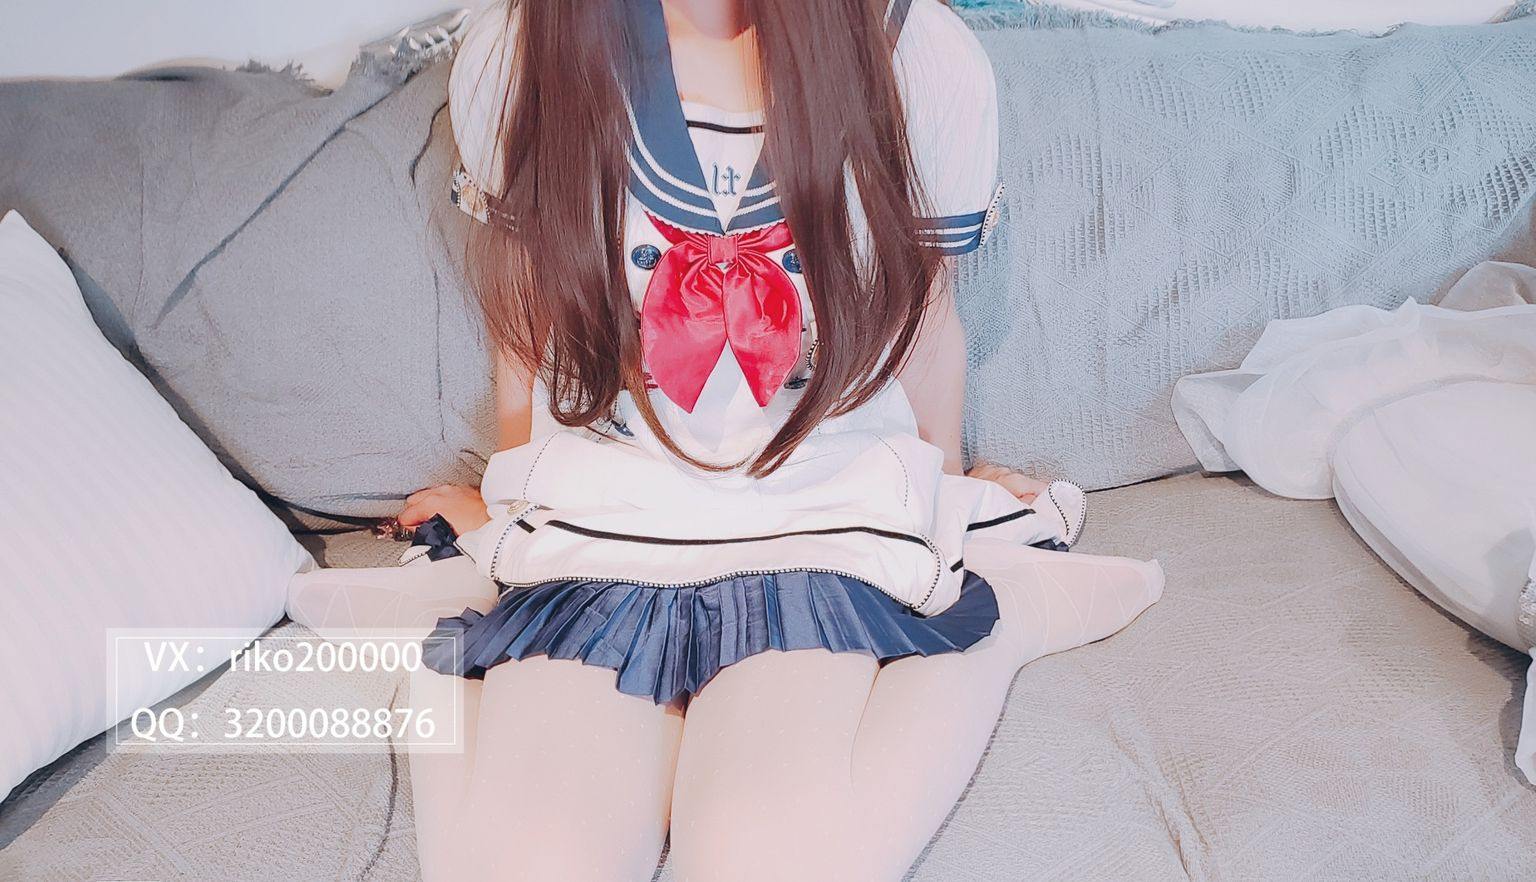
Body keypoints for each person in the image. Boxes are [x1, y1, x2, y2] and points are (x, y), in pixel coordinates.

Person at [289, 1, 1163, 878]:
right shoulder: (522, 48)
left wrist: (946, 502)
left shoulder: (920, 57)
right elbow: (527, 311)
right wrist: (510, 497)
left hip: (819, 505)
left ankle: (1007, 618)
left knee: (761, 859)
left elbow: (923, 321)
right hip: (607, 506)